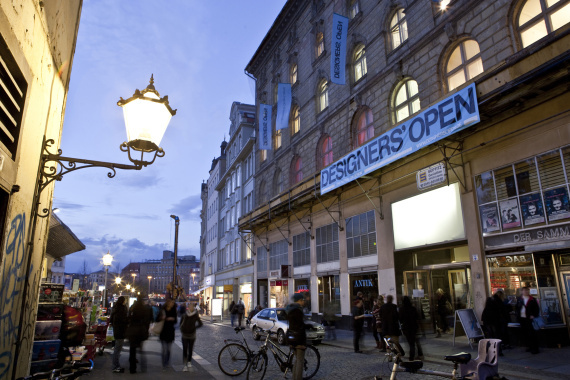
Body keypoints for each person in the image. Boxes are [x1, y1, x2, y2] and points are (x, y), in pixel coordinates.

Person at [126, 295, 152, 374]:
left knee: (132, 350)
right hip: (140, 331)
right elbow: (147, 320)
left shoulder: (133, 308)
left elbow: (128, 318)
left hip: (132, 330)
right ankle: (143, 366)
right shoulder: (144, 309)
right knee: (141, 349)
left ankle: (132, 368)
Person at [286, 293, 307, 380]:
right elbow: (300, 326)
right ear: (300, 300)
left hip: (292, 337)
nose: (304, 302)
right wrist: (303, 342)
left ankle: (294, 378)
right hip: (298, 338)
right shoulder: (298, 311)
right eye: (303, 300)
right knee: (300, 361)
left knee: (296, 360)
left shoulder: (290, 309)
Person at [515, 286, 540, 354]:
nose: (526, 292)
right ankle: (529, 346)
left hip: (529, 318)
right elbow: (517, 308)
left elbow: (536, 309)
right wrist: (517, 315)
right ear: (522, 291)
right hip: (522, 318)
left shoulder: (532, 299)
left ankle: (535, 348)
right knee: (525, 333)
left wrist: (533, 315)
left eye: (527, 290)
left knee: (532, 333)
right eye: (524, 290)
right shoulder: (520, 299)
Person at [180, 302, 203, 371]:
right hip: (184, 334)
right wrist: (183, 329)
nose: (190, 308)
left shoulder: (195, 315)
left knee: (190, 349)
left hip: (192, 334)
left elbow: (200, 324)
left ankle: (189, 361)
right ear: (188, 307)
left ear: (193, 307)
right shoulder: (184, 315)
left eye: (191, 306)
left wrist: (194, 327)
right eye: (189, 306)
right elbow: (180, 324)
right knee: (185, 349)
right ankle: (185, 364)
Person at [400, 296, 424, 361]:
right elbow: (417, 317)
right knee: (415, 341)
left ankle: (412, 356)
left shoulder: (402, 309)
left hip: (406, 328)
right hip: (414, 327)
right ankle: (420, 354)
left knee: (411, 343)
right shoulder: (413, 308)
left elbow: (400, 319)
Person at [109, 296, 128, 373]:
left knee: (117, 348)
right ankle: (115, 366)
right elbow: (124, 320)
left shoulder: (115, 308)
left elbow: (112, 318)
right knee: (117, 349)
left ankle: (116, 365)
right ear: (123, 301)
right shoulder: (122, 309)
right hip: (120, 331)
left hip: (117, 330)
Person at [159, 299, 178, 369]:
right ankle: (164, 363)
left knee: (169, 349)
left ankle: (167, 362)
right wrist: (162, 318)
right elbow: (157, 319)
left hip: (170, 331)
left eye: (173, 303)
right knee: (164, 349)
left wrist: (172, 319)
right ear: (168, 303)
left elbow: (176, 321)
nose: (172, 304)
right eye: (171, 302)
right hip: (163, 331)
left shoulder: (174, 311)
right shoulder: (162, 310)